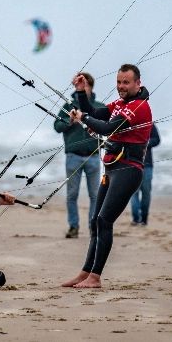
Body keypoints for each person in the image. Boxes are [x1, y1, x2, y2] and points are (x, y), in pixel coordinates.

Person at [62, 64, 153, 289]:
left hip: (129, 171)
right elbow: (96, 113)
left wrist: (83, 118)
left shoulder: (139, 107)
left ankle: (96, 277)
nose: (121, 86)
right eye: (119, 82)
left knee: (104, 220)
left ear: (137, 83)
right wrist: (82, 93)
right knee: (95, 221)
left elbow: (107, 127)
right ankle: (85, 273)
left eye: (126, 82)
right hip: (113, 169)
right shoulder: (120, 104)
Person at [54, 72, 106, 238]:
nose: (82, 88)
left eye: (84, 85)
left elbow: (107, 127)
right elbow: (57, 126)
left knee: (95, 195)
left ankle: (93, 226)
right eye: (78, 85)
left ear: (90, 87)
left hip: (93, 156)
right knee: (72, 194)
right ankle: (73, 227)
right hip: (73, 156)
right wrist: (70, 121)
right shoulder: (68, 105)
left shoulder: (99, 106)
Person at [129, 123, 160, 226]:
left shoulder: (150, 124)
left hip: (147, 165)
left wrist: (146, 143)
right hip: (132, 164)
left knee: (146, 193)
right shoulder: (129, 124)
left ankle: (144, 218)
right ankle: (136, 218)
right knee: (134, 193)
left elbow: (157, 140)